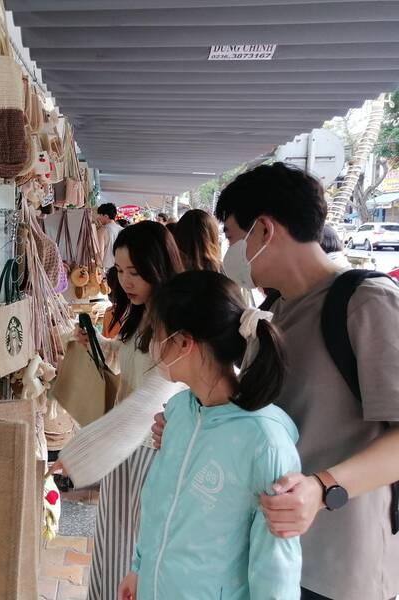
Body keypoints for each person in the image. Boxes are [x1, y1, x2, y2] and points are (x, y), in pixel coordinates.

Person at [154, 162, 399, 599]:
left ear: (264, 230)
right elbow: (257, 414)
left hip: (335, 567)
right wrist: (193, 428)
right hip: (264, 554)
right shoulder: (273, 312)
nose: (229, 250)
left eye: (231, 236)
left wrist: (323, 488)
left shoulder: (367, 303)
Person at [118, 270, 302, 600]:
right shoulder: (178, 412)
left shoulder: (265, 442)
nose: (153, 347)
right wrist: (139, 569)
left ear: (184, 343)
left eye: (157, 334)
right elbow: (159, 502)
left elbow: (276, 565)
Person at [48, 222, 185, 600]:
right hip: (123, 450)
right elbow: (131, 361)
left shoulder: (173, 322)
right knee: (112, 548)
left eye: (135, 272)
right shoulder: (144, 311)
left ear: (159, 267)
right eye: (121, 271)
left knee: (131, 555)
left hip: (146, 453)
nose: (125, 281)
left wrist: (79, 454)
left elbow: (150, 400)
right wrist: (101, 344)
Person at [96, 203, 124, 272]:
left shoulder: (102, 230)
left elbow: (100, 253)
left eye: (100, 215)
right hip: (120, 269)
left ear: (106, 216)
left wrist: (97, 267)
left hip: (106, 269)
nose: (98, 218)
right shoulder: (122, 230)